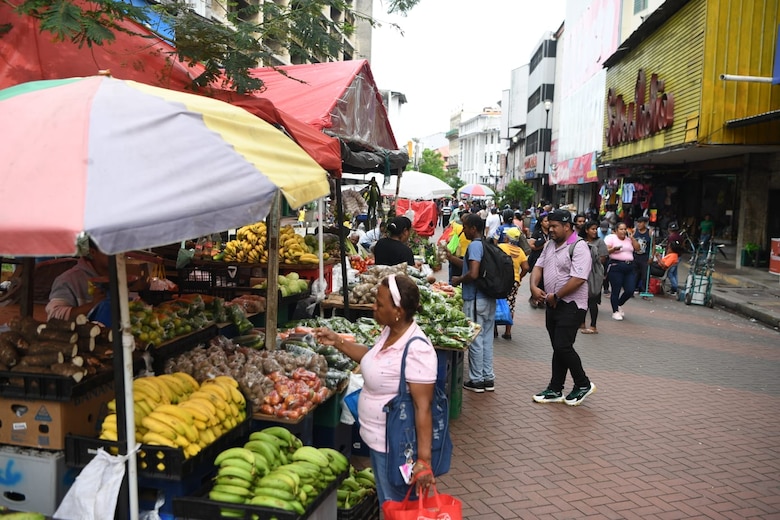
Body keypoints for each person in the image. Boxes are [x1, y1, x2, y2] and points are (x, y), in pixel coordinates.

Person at [313, 275, 437, 504]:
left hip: (396, 447)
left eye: (380, 304)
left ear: (398, 310)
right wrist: (337, 341)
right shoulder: (390, 332)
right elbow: (372, 358)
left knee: (397, 505)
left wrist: (424, 461)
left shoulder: (418, 349)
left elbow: (423, 408)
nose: (374, 307)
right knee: (388, 503)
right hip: (379, 440)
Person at [529, 209, 596, 406]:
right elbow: (538, 267)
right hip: (552, 303)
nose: (550, 230)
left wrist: (556, 295)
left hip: (572, 304)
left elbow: (578, 279)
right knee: (558, 347)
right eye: (549, 226)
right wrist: (533, 287)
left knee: (562, 346)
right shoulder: (550, 245)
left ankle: (583, 384)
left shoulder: (580, 247)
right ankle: (555, 389)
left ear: (567, 227)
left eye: (554, 226)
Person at [448, 213, 496, 393]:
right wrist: (452, 259)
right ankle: (488, 378)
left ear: (473, 228)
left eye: (465, 227)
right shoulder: (486, 243)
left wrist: (458, 280)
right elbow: (470, 266)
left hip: (476, 298)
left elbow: (473, 273)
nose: (464, 230)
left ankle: (476, 380)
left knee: (475, 339)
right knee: (486, 339)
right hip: (488, 298)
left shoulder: (475, 245)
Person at [46, 239, 110, 321]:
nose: (118, 253)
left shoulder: (124, 277)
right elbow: (54, 315)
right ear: (93, 252)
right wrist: (92, 306)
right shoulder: (68, 280)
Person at [603, 222, 640, 321]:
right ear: (616, 230)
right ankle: (615, 311)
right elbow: (606, 251)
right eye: (621, 229)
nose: (623, 231)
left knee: (630, 290)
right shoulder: (611, 238)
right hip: (616, 266)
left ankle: (619, 303)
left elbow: (638, 248)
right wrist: (614, 249)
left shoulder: (629, 240)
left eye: (625, 229)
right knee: (616, 289)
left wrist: (632, 238)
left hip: (629, 266)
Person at [497, 227, 529, 340]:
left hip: (500, 280)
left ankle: (494, 329)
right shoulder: (520, 251)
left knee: (496, 302)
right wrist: (519, 277)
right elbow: (526, 267)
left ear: (506, 238)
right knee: (510, 305)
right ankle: (508, 332)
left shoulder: (501, 247)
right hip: (513, 281)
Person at [579, 221, 608, 334]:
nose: (595, 231)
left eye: (596, 229)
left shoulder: (599, 242)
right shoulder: (580, 241)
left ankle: (593, 326)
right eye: (592, 229)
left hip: (594, 274)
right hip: (582, 273)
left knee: (592, 300)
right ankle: (581, 322)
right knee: (582, 299)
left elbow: (602, 259)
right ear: (586, 230)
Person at [527, 212, 549, 308]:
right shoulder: (537, 232)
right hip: (537, 257)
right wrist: (542, 246)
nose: (548, 223)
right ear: (541, 222)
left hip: (548, 259)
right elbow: (531, 245)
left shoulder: (552, 233)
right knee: (537, 279)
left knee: (545, 279)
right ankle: (533, 297)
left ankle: (542, 299)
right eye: (545, 221)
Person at [632, 216, 652, 293]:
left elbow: (653, 245)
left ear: (645, 223)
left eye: (641, 223)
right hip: (635, 255)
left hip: (645, 256)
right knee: (634, 274)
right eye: (638, 222)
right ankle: (632, 289)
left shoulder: (649, 232)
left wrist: (651, 256)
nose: (639, 224)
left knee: (645, 275)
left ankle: (644, 291)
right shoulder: (635, 231)